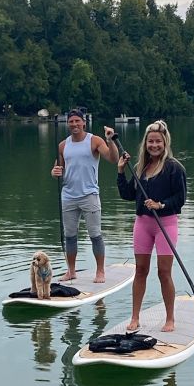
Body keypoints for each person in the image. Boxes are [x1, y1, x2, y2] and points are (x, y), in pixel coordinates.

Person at [117, 119, 186, 332]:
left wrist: (160, 205)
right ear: (145, 144)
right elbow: (128, 195)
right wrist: (120, 171)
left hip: (165, 224)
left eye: (158, 141)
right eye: (150, 142)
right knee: (140, 270)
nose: (154, 145)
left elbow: (180, 199)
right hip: (143, 224)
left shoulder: (174, 168)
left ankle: (170, 319)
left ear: (165, 143)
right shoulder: (141, 167)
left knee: (164, 272)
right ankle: (135, 317)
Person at [51, 110, 118, 282]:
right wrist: (54, 171)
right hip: (68, 196)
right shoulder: (62, 146)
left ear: (83, 123)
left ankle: (100, 272)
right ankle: (71, 271)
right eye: (71, 121)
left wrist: (110, 140)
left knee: (95, 234)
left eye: (77, 121)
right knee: (70, 236)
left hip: (89, 194)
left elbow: (113, 158)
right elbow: (59, 168)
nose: (74, 124)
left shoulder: (94, 141)